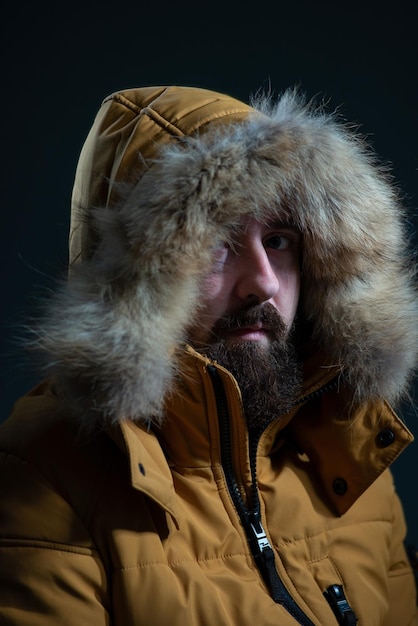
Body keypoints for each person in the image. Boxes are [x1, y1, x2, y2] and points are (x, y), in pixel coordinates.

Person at [0, 85, 417, 625]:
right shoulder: (40, 481)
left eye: (280, 240)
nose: (263, 284)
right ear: (133, 283)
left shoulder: (348, 461)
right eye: (217, 240)